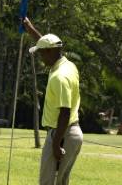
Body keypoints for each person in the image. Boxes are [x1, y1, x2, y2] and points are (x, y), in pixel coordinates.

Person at [23, 18, 83, 185]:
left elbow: (65, 111)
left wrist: (56, 144)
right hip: (72, 133)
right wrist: (29, 28)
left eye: (41, 53)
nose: (41, 57)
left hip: (62, 134)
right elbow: (46, 43)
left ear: (50, 52)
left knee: (47, 183)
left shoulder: (59, 77)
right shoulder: (68, 65)